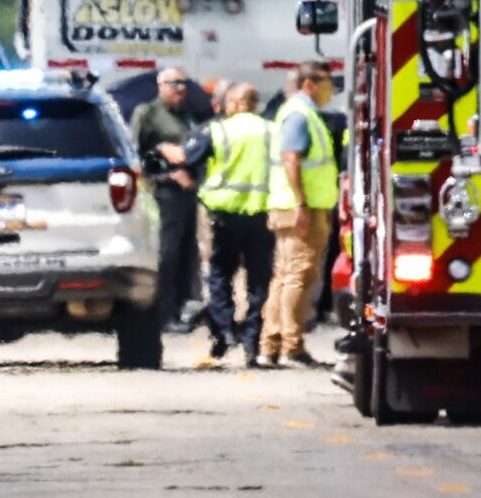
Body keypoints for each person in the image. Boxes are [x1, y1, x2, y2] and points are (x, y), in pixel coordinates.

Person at [162, 83, 273, 365]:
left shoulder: (218, 130)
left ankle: (224, 330)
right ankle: (252, 341)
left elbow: (186, 158)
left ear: (233, 103)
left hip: (224, 214)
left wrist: (166, 151)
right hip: (263, 212)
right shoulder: (272, 130)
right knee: (259, 280)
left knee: (220, 274)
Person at [260, 60, 339, 367]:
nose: (330, 91)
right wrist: (302, 204)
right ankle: (291, 346)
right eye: (327, 84)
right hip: (299, 208)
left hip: (292, 205)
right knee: (299, 275)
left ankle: (272, 344)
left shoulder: (300, 113)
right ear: (310, 84)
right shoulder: (299, 114)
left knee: (285, 276)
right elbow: (291, 159)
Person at [128, 66, 203, 331]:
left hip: (188, 195)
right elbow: (135, 157)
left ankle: (184, 308)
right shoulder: (148, 113)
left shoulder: (186, 116)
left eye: (184, 84)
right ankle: (164, 313)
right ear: (161, 85)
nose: (181, 89)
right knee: (167, 254)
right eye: (175, 84)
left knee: (186, 254)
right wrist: (169, 175)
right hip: (162, 193)